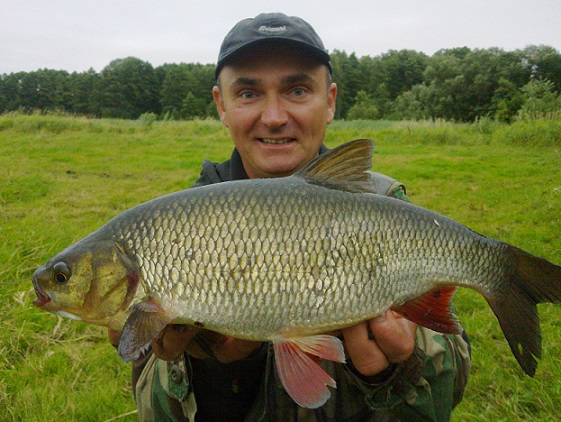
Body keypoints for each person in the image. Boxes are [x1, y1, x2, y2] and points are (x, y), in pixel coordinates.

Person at [109, 12, 471, 421]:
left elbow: (451, 385)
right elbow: (150, 408)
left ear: (329, 101)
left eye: (297, 90)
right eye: (248, 93)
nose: (274, 117)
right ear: (221, 105)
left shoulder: (383, 204)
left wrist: (399, 369)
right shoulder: (173, 228)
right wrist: (212, 370)